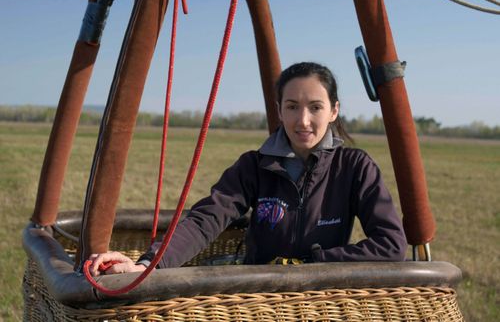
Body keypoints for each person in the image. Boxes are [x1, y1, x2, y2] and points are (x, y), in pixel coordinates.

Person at [89, 62, 407, 276]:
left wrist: (315, 262)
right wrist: (147, 265)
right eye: (292, 107)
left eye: (316, 107)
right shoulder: (255, 166)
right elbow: (204, 222)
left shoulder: (353, 167)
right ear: (279, 111)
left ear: (334, 111)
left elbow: (391, 244)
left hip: (321, 297)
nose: (304, 120)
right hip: (258, 297)